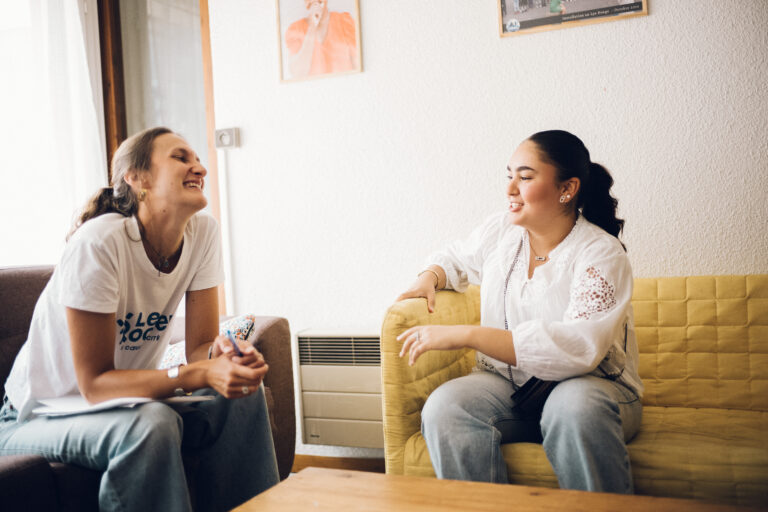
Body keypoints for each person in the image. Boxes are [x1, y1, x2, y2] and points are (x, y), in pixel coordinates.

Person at [0, 127, 279, 511]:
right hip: (38, 414)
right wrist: (195, 375)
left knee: (244, 396)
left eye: (198, 159)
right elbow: (95, 385)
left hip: (120, 403)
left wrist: (223, 358)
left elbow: (200, 348)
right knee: (153, 423)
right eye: (181, 158)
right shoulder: (99, 243)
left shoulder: (203, 233)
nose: (199, 167)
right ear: (138, 179)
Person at [396, 130, 642, 493]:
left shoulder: (601, 253)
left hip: (593, 387)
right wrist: (430, 277)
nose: (511, 188)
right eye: (509, 175)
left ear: (567, 189)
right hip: (510, 386)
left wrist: (469, 334)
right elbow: (455, 259)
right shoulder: (502, 233)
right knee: (445, 407)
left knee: (571, 407)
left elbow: (579, 348)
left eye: (525, 177)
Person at [285, 0, 358, 79]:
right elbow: (298, 73)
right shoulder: (295, 29)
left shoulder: (344, 21)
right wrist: (312, 26)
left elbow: (357, 64)